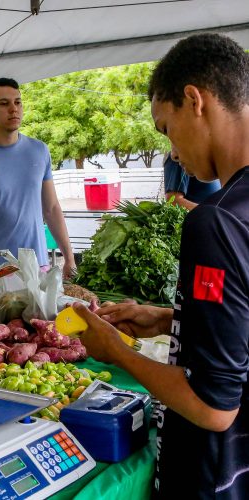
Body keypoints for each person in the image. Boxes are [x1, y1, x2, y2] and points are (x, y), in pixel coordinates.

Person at [72, 33, 248, 498]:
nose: (172, 151)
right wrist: (174, 319)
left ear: (194, 100)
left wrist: (117, 350)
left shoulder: (216, 222)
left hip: (216, 476)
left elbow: (214, 407)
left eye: (166, 128)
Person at [0, 77, 76, 278]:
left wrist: (69, 258)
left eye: (18, 102)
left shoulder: (39, 150)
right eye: (4, 103)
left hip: (37, 266)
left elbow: (52, 208)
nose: (13, 109)